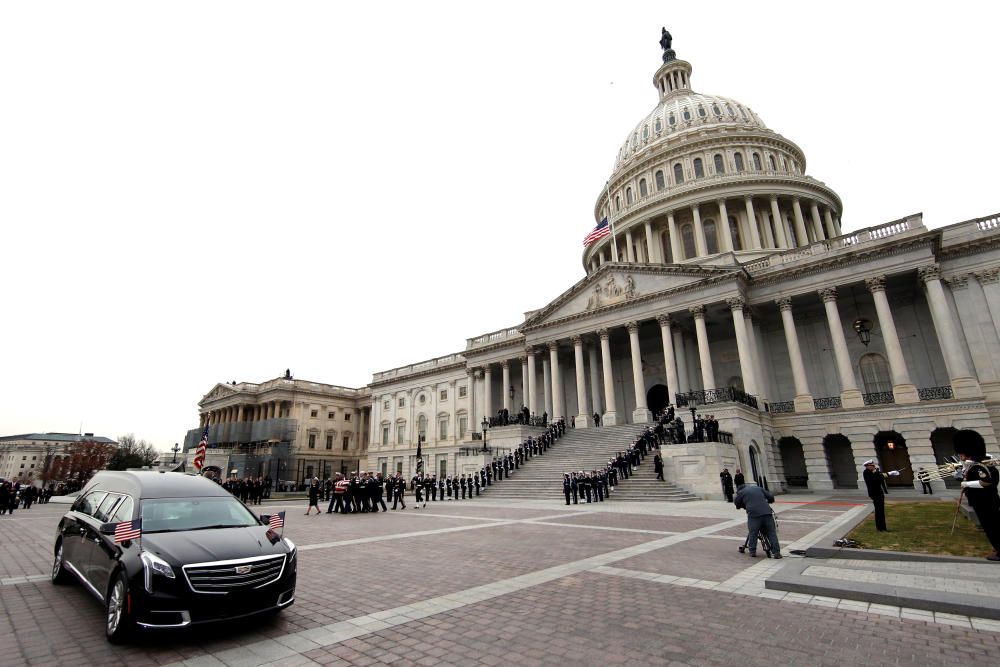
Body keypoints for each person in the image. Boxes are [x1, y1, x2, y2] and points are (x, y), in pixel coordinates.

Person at [953, 430, 1000, 560]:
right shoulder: (975, 466)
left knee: (991, 527)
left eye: (961, 454)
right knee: (991, 526)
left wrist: (966, 485)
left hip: (985, 502)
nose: (960, 457)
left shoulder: (980, 467)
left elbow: (985, 482)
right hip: (983, 501)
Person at [734, 483, 781, 558]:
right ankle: (777, 552)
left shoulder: (741, 492)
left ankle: (752, 551)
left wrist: (744, 505)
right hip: (767, 512)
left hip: (754, 515)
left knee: (753, 533)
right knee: (771, 533)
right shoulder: (758, 488)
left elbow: (737, 504)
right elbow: (771, 498)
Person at [862, 459, 899, 531]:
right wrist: (876, 472)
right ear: (867, 466)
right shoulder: (866, 472)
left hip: (879, 493)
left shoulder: (873, 472)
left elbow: (881, 476)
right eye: (872, 465)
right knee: (879, 511)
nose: (874, 466)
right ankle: (880, 528)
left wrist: (890, 473)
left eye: (873, 465)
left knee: (880, 511)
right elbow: (875, 480)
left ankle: (882, 528)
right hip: (875, 494)